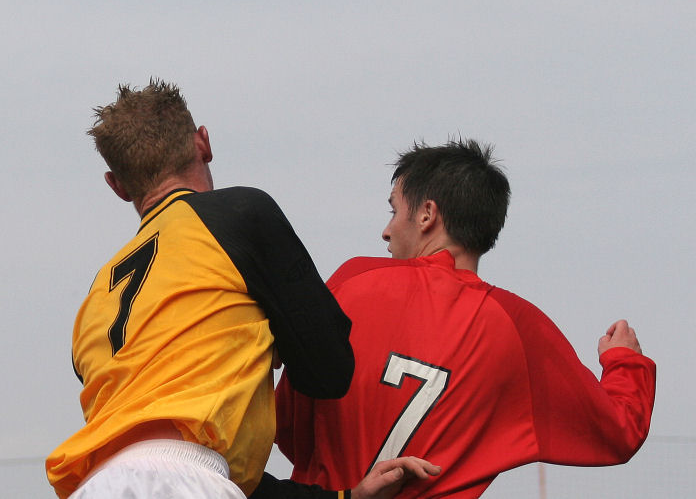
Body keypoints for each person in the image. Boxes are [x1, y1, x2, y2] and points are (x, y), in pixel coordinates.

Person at [46, 80, 436, 499]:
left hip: (94, 486)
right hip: (190, 483)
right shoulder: (239, 215)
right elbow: (329, 372)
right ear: (203, 143)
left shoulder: (94, 299)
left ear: (117, 185)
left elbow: (176, 457)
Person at [275, 139, 656, 498]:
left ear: (427, 214)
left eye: (394, 210)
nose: (387, 230)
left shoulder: (354, 281)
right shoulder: (519, 328)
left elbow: (289, 427)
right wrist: (624, 360)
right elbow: (619, 432)